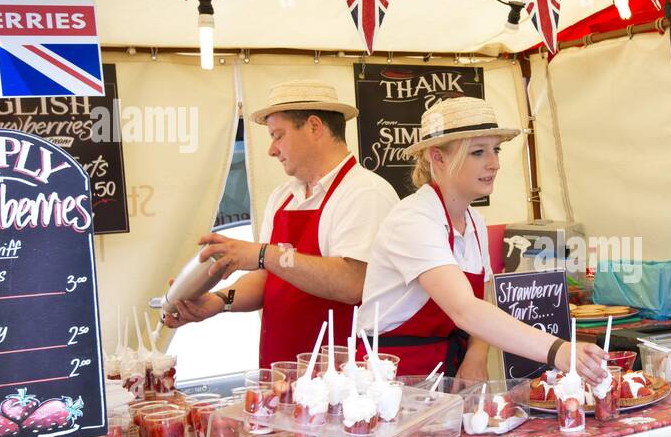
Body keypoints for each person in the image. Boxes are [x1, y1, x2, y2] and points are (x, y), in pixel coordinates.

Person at [357, 96, 605, 385]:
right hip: (393, 376)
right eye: (478, 152)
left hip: (448, 370)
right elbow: (464, 308)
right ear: (437, 157)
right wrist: (558, 351)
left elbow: (483, 296)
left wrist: (476, 354)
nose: (494, 164)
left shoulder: (474, 220)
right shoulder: (412, 220)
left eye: (496, 150)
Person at [162, 81, 399, 367]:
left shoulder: (364, 192)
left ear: (314, 127)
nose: (271, 150)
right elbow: (268, 278)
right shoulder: (284, 196)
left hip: (340, 378)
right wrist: (219, 301)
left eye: (278, 135)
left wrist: (263, 254)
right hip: (281, 368)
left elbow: (352, 283)